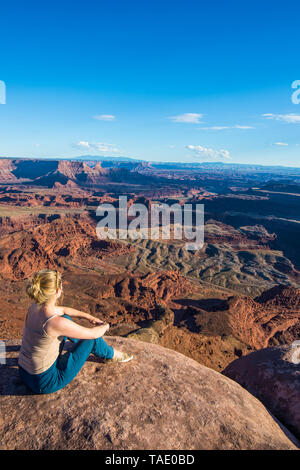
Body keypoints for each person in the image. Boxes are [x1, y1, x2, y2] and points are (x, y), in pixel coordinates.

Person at [18, 269, 133, 394]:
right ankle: (113, 355)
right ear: (57, 291)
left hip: (24, 373)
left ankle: (88, 348)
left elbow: (64, 310)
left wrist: (90, 317)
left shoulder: (34, 308)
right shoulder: (56, 323)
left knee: (66, 318)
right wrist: (105, 326)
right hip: (45, 382)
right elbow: (93, 334)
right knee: (92, 341)